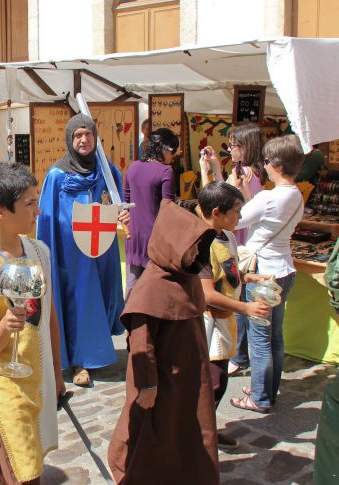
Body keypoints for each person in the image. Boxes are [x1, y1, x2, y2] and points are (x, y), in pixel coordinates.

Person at [0, 162, 65, 485]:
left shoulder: (39, 252)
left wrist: (58, 373)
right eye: (29, 204)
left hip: (38, 376)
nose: (37, 211)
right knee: (25, 471)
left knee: (2, 463)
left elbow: (48, 316)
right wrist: (7, 322)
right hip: (5, 385)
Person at [107, 199, 219, 485]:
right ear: (173, 244)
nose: (195, 252)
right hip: (162, 382)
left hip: (189, 378)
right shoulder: (151, 287)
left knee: (191, 429)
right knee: (156, 435)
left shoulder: (187, 278)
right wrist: (148, 385)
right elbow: (142, 344)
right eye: (190, 245)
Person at [37, 113, 129, 387]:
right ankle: (79, 361)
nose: (83, 139)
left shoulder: (108, 172)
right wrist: (47, 256)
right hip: (69, 254)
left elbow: (118, 205)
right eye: (77, 135)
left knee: (99, 298)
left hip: (101, 251)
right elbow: (48, 219)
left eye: (88, 133)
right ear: (70, 139)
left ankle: (95, 352)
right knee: (75, 302)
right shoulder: (57, 175)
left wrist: (123, 215)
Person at [228, 135, 305, 414]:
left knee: (260, 338)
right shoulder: (296, 195)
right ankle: (268, 389)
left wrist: (234, 189)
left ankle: (260, 397)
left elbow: (238, 218)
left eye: (266, 161)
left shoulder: (271, 197)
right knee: (276, 336)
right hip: (284, 269)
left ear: (275, 164)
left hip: (263, 274)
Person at [197, 181, 271, 448]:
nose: (240, 217)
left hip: (223, 321)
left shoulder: (224, 234)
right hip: (208, 324)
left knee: (217, 381)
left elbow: (227, 272)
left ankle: (206, 431)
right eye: (237, 211)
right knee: (212, 383)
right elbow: (206, 293)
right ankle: (199, 436)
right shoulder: (201, 241)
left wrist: (247, 278)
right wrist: (247, 308)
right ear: (216, 212)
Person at [200, 122, 266, 376]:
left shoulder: (245, 173)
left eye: (233, 144)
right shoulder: (254, 172)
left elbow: (216, 197)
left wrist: (208, 171)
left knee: (231, 291)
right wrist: (216, 166)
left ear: (246, 146)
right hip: (240, 234)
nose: (230, 148)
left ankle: (236, 355)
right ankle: (237, 353)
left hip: (232, 236)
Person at [123, 127, 177, 293]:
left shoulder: (132, 167)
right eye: (173, 152)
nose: (173, 157)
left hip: (132, 236)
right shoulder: (166, 171)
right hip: (156, 239)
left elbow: (126, 201)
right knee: (153, 292)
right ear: (164, 149)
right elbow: (168, 208)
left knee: (132, 289)